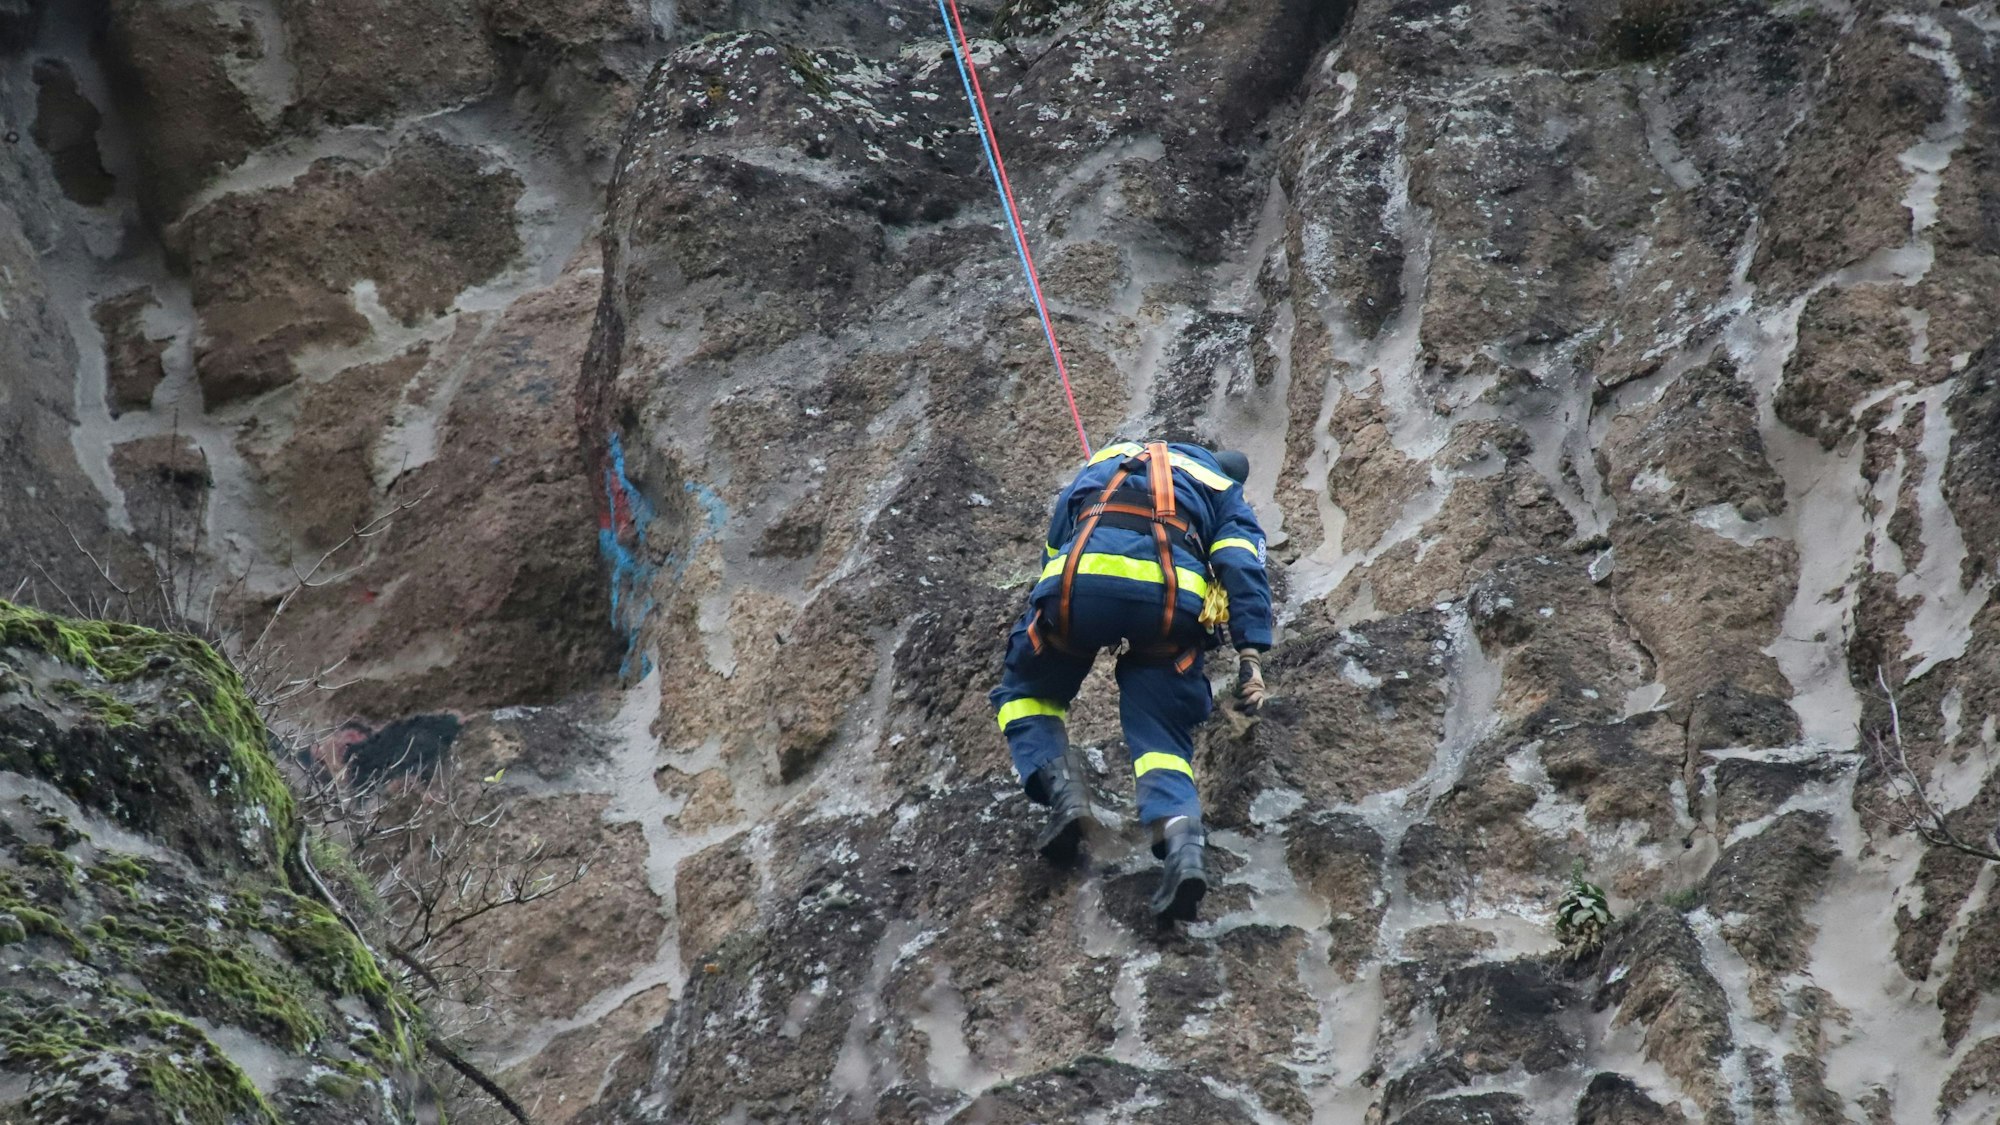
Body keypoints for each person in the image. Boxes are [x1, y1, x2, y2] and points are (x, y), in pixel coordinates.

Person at [989, 440, 1274, 922]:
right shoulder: (1222, 488)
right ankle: (1183, 846)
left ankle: (1064, 791)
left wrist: (1059, 609)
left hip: (1080, 592)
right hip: (1169, 608)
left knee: (1028, 692)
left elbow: (1056, 545)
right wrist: (1251, 653)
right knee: (1163, 738)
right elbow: (1241, 564)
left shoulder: (1106, 462)